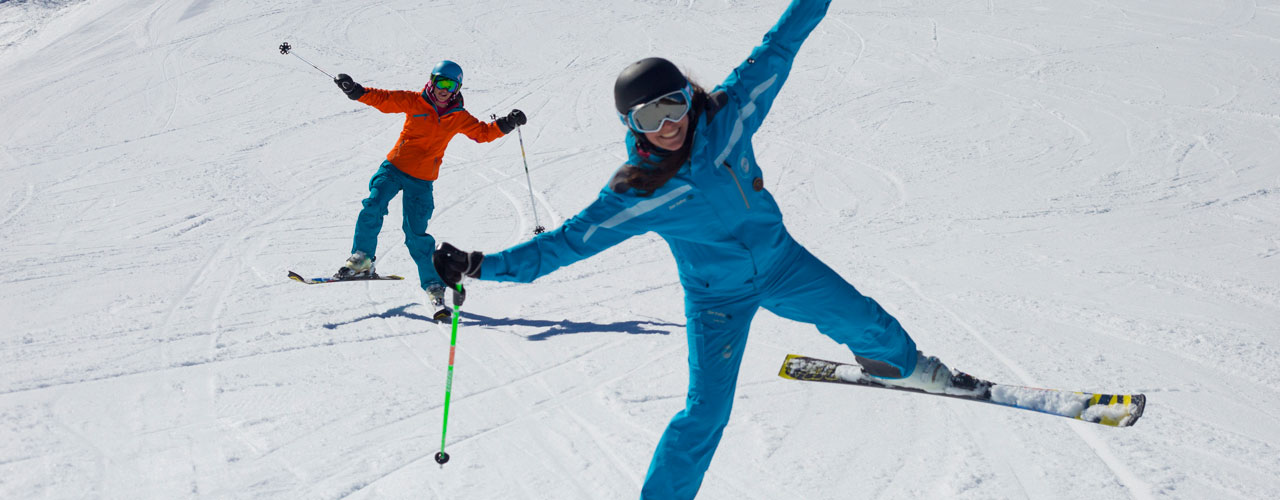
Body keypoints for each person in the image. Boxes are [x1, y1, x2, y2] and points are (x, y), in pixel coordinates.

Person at [434, 0, 953, 497]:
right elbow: (568, 244)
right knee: (704, 414)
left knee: (866, 322)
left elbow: (780, 47)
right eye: (648, 118)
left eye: (673, 106)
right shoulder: (638, 189)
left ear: (688, 96)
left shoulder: (729, 117)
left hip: (782, 264)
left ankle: (901, 366)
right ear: (630, 126)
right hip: (716, 301)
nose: (667, 126)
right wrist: (482, 266)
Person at [332, 60, 526, 308]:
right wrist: (356, 91)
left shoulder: (458, 117)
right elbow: (385, 99)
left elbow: (483, 133)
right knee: (373, 205)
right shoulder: (415, 101)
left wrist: (507, 123)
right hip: (394, 168)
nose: (443, 89)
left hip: (422, 181)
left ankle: (433, 285)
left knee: (416, 235)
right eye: (439, 82)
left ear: (457, 88)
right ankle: (362, 258)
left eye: (450, 84)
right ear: (431, 82)